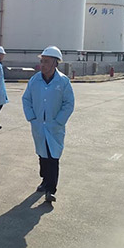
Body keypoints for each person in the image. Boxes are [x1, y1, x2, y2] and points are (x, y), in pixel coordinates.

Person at [22, 46, 75, 203]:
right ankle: (45, 181)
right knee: (42, 155)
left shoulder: (63, 81)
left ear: (55, 63)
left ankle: (51, 189)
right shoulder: (35, 80)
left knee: (53, 157)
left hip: (54, 127)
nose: (43, 65)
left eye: (46, 62)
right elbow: (26, 99)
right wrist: (31, 117)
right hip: (39, 125)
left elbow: (69, 103)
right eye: (42, 61)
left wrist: (59, 121)